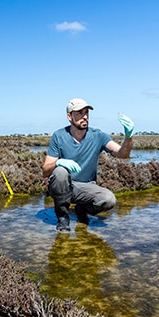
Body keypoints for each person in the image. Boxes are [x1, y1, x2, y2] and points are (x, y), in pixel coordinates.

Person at [42, 98, 134, 232]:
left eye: (86, 113)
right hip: (63, 185)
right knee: (60, 172)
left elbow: (123, 154)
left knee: (108, 200)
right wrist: (58, 162)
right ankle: (63, 218)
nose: (84, 117)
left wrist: (128, 137)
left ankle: (82, 208)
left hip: (86, 187)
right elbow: (45, 171)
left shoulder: (98, 136)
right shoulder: (59, 136)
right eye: (79, 113)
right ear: (69, 116)